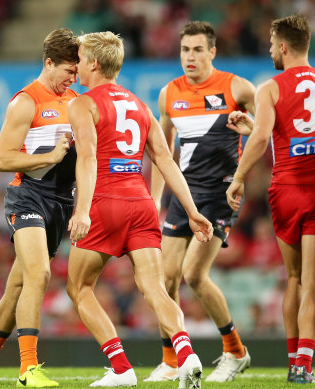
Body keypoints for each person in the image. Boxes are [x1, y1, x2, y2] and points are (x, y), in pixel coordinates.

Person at [65, 31, 213, 389]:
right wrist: (192, 211)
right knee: (154, 288)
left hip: (105, 203)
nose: (77, 65)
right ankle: (186, 352)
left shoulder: (83, 104)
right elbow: (165, 160)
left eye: (81, 58)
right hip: (142, 204)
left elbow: (86, 158)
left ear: (95, 63)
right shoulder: (140, 105)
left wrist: (82, 210)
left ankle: (120, 367)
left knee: (79, 287)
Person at [226, 14, 315, 384]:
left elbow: (262, 140)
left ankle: (291, 362)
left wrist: (238, 178)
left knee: (293, 278)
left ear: (283, 46)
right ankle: (304, 365)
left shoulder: (270, 87)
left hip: (286, 191)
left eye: (272, 45)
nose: (270, 50)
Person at [147, 20, 256, 383]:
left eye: (197, 49)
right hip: (185, 193)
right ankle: (172, 359)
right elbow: (162, 154)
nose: (189, 57)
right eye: (184, 50)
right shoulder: (169, 94)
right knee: (165, 277)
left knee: (194, 274)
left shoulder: (237, 87)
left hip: (222, 191)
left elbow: (269, 132)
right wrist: (154, 200)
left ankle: (235, 350)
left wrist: (251, 127)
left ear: (212, 51)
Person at [0, 28, 79, 388]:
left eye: (76, 73)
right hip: (28, 196)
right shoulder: (26, 102)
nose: (72, 79)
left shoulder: (75, 101)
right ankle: (28, 368)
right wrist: (51, 155)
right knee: (40, 276)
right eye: (67, 71)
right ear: (49, 63)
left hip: (61, 202)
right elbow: (3, 158)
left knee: (17, 286)